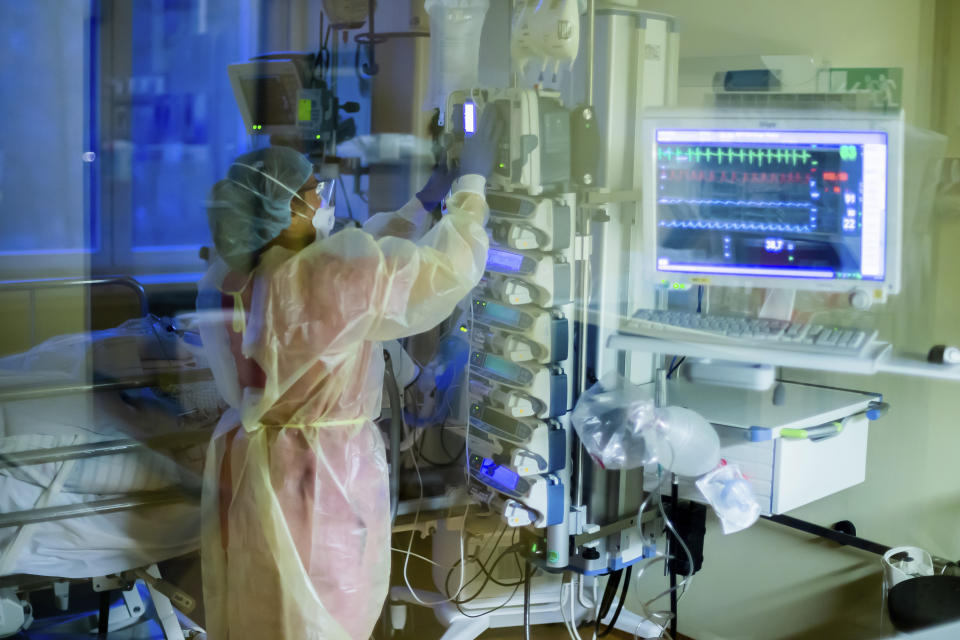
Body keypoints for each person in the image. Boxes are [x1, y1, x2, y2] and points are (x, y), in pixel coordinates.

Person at [197, 111, 503, 640]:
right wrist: (471, 187)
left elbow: (368, 252)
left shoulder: (230, 276)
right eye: (314, 191)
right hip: (321, 482)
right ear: (287, 210)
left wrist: (426, 199)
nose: (323, 201)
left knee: (266, 610)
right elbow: (440, 270)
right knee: (324, 615)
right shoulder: (322, 277)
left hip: (255, 472)